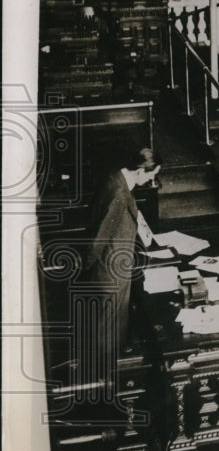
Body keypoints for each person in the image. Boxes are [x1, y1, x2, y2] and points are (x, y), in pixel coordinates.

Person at [82, 149, 162, 364]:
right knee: (109, 333)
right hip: (111, 273)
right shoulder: (118, 193)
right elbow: (100, 237)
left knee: (111, 328)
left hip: (113, 267)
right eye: (151, 175)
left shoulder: (116, 179)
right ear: (139, 170)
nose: (151, 181)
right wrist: (85, 268)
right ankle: (109, 377)